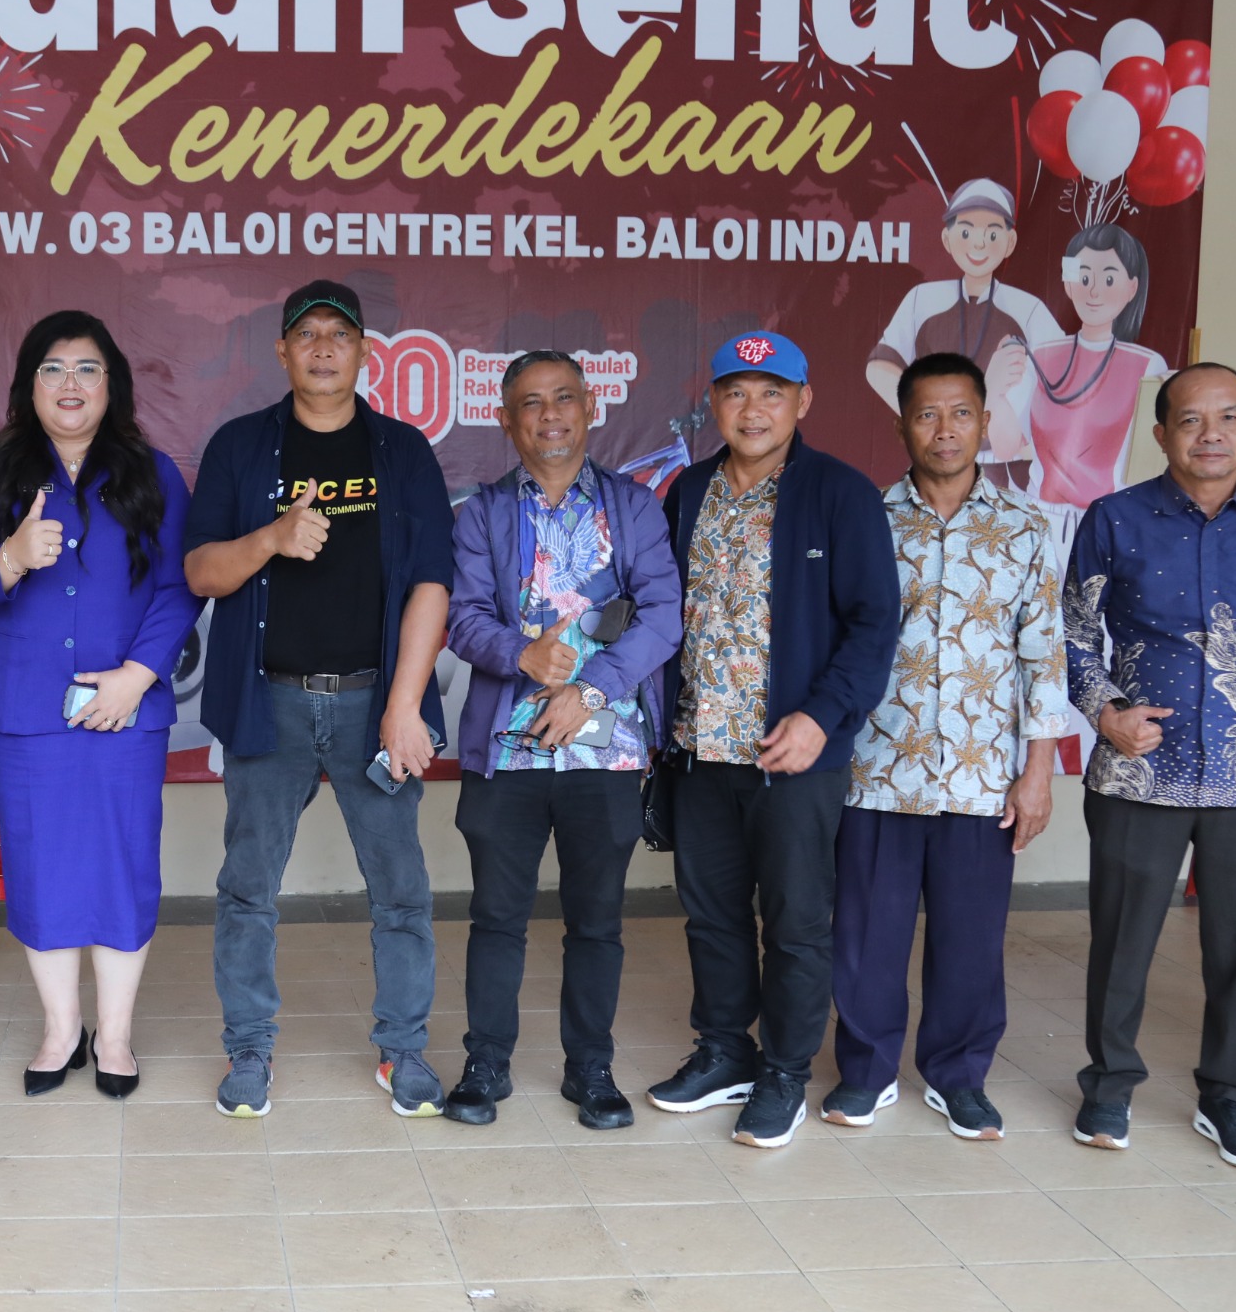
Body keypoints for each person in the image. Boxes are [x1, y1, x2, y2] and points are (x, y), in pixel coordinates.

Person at [184, 279, 456, 1120]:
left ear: (364, 351)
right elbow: (200, 572)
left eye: (340, 334)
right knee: (248, 889)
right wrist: (271, 537)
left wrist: (405, 707)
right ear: (283, 351)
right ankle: (249, 1050)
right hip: (270, 704)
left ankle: (402, 1049)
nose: (325, 347)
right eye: (308, 335)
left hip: (376, 703)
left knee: (401, 890)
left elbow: (432, 584)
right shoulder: (240, 446)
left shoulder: (402, 450)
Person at [1063, 362, 1236, 1170]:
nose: (1211, 434)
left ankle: (1234, 1097)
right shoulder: (1115, 517)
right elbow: (1073, 633)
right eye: (1190, 419)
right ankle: (1110, 1085)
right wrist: (1106, 712)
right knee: (1122, 938)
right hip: (1139, 771)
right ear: (1161, 432)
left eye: (1228, 417)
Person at [0, 313, 201, 1098]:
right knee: (42, 871)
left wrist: (137, 676)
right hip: (29, 712)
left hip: (127, 712)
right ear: (29, 385)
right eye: (53, 369)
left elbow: (180, 587)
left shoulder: (154, 473)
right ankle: (61, 1030)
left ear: (111, 385)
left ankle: (114, 1037)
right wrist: (11, 557)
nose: (70, 384)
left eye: (88, 369)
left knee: (124, 868)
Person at [647, 330, 896, 1148]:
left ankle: (785, 1070)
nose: (752, 410)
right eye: (736, 393)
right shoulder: (689, 491)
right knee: (711, 916)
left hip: (793, 756)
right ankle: (726, 1051)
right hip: (699, 750)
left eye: (771, 393)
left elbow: (874, 624)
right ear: (714, 403)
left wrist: (821, 716)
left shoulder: (840, 493)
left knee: (794, 923)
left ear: (803, 401)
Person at [828, 352, 1069, 1139]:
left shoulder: (1024, 528)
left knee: (971, 941)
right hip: (877, 768)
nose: (944, 430)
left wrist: (1038, 773)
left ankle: (959, 1076)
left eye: (960, 413)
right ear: (901, 424)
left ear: (984, 421)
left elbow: (1044, 657)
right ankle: (865, 1073)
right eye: (927, 414)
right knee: (866, 937)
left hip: (981, 777)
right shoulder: (864, 520)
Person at [441, 352, 681, 1130]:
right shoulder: (481, 514)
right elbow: (461, 617)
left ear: (590, 409)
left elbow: (663, 617)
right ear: (506, 421)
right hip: (506, 752)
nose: (551, 415)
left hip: (604, 750)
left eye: (565, 398)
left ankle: (591, 1068)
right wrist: (520, 654)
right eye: (532, 403)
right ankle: (486, 1065)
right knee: (496, 917)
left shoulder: (634, 507)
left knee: (597, 921)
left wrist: (589, 688)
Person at [865, 178, 1064, 489]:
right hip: (935, 463)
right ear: (947, 239)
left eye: (992, 233)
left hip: (1005, 470)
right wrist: (931, 416)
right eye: (967, 231)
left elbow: (1063, 384)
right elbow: (879, 368)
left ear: (1010, 242)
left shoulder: (1028, 309)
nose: (979, 244)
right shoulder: (923, 300)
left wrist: (1022, 435)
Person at [989, 222, 1173, 550]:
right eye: (1084, 278)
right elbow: (1006, 447)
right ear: (1068, 283)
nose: (1094, 292)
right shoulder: (1040, 354)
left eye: (1109, 279)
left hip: (1110, 525)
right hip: (1038, 521)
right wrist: (994, 391)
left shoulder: (1147, 364)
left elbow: (1148, 465)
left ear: (1132, 288)